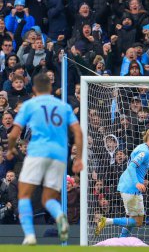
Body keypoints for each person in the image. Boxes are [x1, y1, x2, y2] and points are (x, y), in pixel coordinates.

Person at [6, 73, 83, 245]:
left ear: (34, 89)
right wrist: (78, 158)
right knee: (48, 198)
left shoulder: (30, 105)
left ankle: (30, 235)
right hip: (59, 156)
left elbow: (14, 133)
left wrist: (10, 149)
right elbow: (78, 132)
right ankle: (60, 216)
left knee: (24, 195)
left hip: (38, 152)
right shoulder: (63, 106)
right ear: (50, 88)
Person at [95, 128, 149, 238]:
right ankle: (106, 221)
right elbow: (132, 166)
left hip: (127, 185)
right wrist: (137, 183)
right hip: (132, 188)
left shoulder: (142, 147)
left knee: (133, 219)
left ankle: (122, 240)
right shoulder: (144, 152)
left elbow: (142, 164)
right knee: (138, 222)